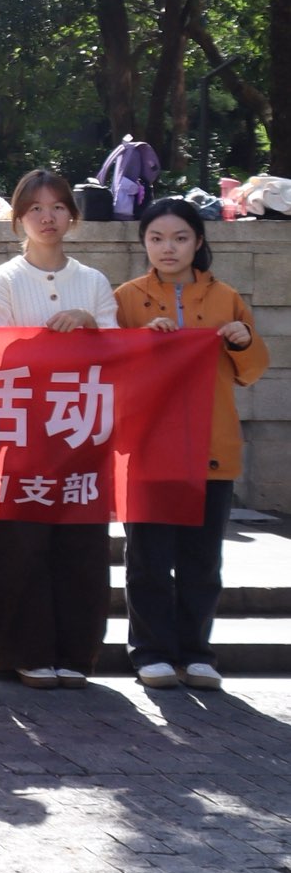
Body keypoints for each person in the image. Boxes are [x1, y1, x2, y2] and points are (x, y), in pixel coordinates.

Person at [115, 198, 268, 691]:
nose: (168, 248)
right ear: (143, 243)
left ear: (198, 242)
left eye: (180, 238)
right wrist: (142, 340)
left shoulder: (225, 297)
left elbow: (252, 371)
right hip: (149, 449)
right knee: (148, 559)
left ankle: (197, 653)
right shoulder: (127, 298)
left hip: (211, 446)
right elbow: (110, 369)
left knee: (202, 561)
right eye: (156, 238)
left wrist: (243, 340)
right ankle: (150, 652)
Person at [0, 170, 118, 689]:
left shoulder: (94, 281)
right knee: (21, 546)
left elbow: (120, 353)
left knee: (82, 546)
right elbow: (2, 355)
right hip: (24, 434)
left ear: (73, 217)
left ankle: (77, 653)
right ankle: (23, 651)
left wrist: (90, 324)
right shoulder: (3, 280)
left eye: (58, 206)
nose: (47, 217)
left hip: (83, 433)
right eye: (35, 208)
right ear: (18, 218)